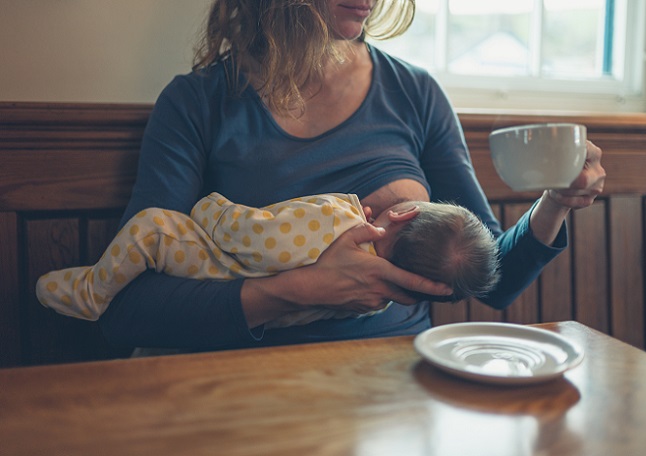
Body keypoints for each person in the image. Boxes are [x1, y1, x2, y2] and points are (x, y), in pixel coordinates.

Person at [96, 0, 605, 351]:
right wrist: (300, 289)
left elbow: (494, 280)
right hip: (243, 376)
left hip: (395, 373)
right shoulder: (197, 103)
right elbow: (129, 309)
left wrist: (556, 202)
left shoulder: (414, 93)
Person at [36, 192, 500, 328]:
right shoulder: (377, 298)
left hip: (209, 260)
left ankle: (91, 293)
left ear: (405, 213)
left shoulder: (332, 221)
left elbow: (253, 233)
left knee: (152, 226)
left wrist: (211, 207)